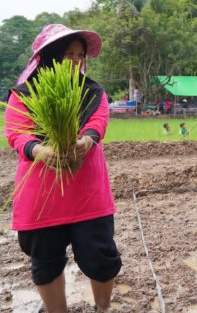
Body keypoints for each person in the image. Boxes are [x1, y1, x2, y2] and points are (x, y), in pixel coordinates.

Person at [4, 24, 120, 313]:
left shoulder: (92, 91)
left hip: (87, 193)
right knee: (45, 261)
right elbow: (17, 133)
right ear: (51, 56)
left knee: (101, 256)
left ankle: (103, 308)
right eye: (68, 54)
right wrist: (40, 151)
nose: (76, 61)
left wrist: (86, 141)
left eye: (80, 55)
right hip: (42, 195)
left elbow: (99, 122)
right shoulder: (24, 94)